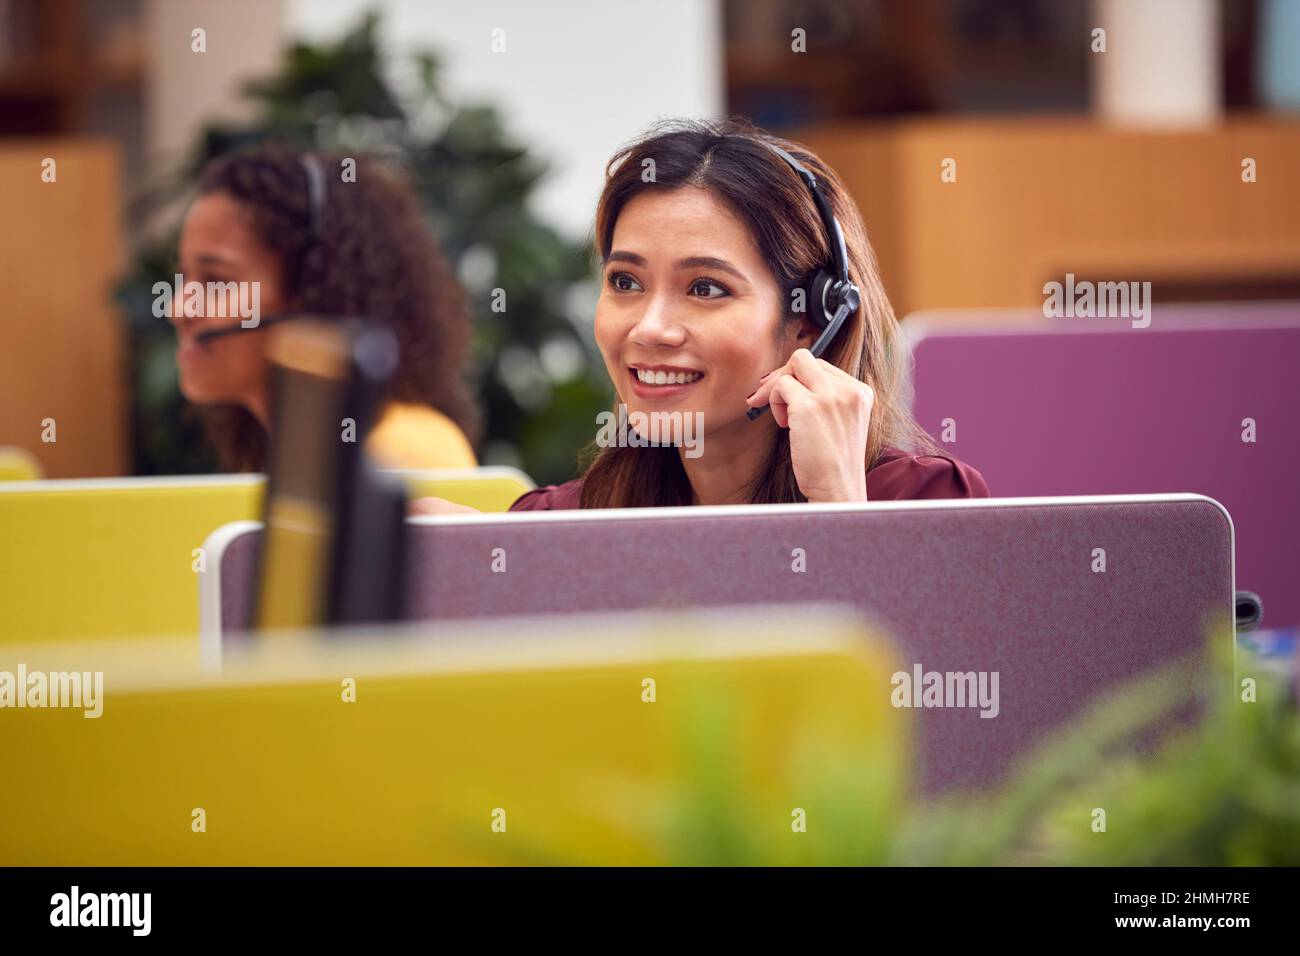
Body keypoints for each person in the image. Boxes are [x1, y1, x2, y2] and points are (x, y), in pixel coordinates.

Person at [413, 117, 986, 516]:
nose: (649, 328)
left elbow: (903, 687)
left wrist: (837, 504)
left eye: (706, 288)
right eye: (626, 282)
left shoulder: (925, 501)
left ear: (811, 321)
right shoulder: (578, 521)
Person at [169, 146, 478, 472]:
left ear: (312, 294)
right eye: (183, 277)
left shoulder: (400, 456)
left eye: (216, 280)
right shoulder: (292, 462)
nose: (178, 310)